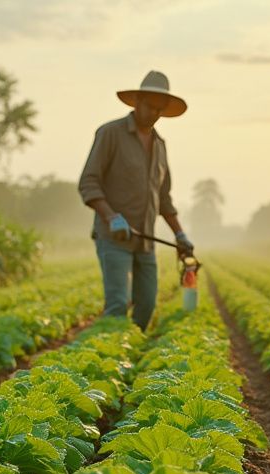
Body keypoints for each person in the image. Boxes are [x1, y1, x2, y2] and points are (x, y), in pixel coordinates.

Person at [78, 70, 193, 330]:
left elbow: (163, 198)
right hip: (114, 237)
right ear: (137, 101)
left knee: (147, 305)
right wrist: (111, 217)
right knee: (118, 304)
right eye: (150, 106)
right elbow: (88, 182)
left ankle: (128, 347)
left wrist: (180, 235)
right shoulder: (110, 134)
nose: (154, 113)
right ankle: (109, 349)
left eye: (159, 109)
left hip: (145, 240)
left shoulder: (160, 145)